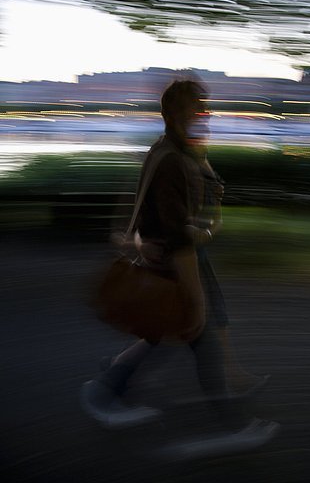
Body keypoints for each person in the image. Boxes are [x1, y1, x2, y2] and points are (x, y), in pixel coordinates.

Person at [81, 78, 272, 444]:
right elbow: (178, 235)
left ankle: (108, 387)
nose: (206, 111)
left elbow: (174, 213)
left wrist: (204, 169)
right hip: (176, 262)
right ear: (177, 112)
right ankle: (232, 428)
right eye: (197, 105)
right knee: (196, 332)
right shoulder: (171, 159)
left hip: (177, 257)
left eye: (205, 105)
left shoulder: (173, 149)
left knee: (164, 334)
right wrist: (195, 296)